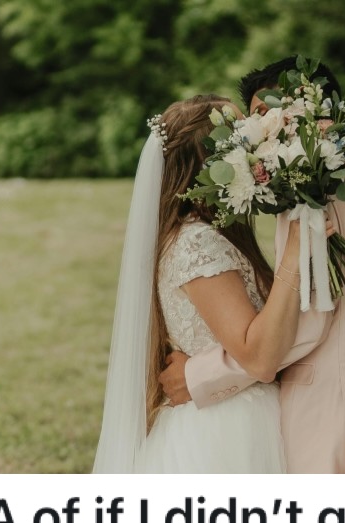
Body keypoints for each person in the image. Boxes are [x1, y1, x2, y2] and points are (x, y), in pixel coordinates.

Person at [158, 57, 345, 473]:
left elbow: (307, 323)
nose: (260, 139)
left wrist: (198, 375)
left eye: (266, 118)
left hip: (332, 418)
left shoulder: (315, 191)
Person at [93, 94, 311, 473]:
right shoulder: (198, 243)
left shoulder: (202, 235)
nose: (258, 159)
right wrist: (292, 259)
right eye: (245, 148)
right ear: (214, 168)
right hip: (226, 432)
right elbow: (257, 354)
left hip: (226, 413)